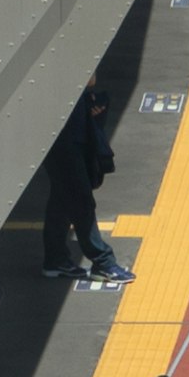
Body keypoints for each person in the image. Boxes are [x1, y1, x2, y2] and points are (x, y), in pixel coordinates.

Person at [38, 87, 121, 286]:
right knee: (81, 201)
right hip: (67, 139)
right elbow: (92, 79)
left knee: (61, 200)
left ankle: (55, 259)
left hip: (62, 133)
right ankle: (102, 261)